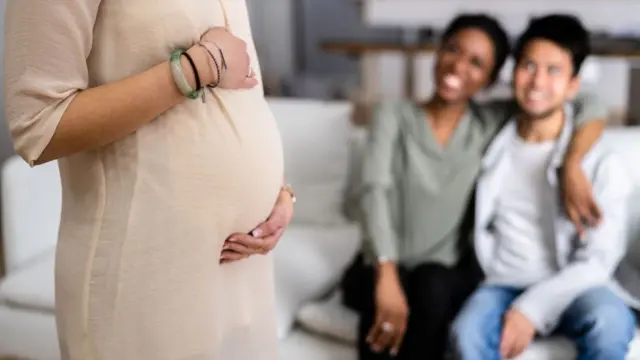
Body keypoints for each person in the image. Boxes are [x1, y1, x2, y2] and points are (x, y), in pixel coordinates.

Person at [3, 1, 294, 359]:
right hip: (145, 273)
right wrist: (197, 67)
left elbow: (242, 79)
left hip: (245, 270)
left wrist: (279, 191)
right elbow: (38, 126)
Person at [341, 14, 610, 360]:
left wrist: (571, 164)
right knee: (393, 302)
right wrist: (386, 274)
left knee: (432, 285)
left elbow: (588, 104)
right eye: (452, 49)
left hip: (441, 273)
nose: (458, 65)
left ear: (489, 79)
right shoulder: (393, 115)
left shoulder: (489, 123)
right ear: (438, 52)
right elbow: (373, 191)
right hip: (381, 264)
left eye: (477, 63)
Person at [450, 14, 640, 360]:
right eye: (529, 66)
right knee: (467, 332)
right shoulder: (491, 141)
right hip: (502, 281)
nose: (537, 81)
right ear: (514, 72)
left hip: (577, 284)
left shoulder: (599, 164)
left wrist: (531, 309)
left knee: (610, 322)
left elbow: (600, 259)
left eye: (554, 70)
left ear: (573, 85)